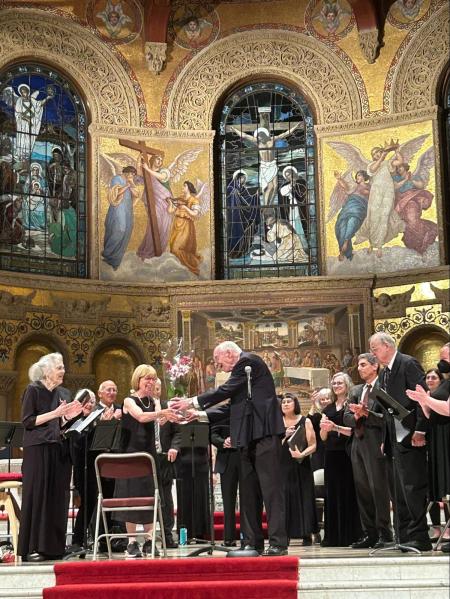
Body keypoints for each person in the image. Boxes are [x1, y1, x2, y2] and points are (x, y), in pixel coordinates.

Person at [170, 340, 288, 556]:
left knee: (271, 491)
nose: (217, 366)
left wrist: (192, 402)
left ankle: (278, 543)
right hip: (247, 438)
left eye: (218, 360)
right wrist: (199, 415)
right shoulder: (243, 378)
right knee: (248, 492)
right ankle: (252, 542)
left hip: (264, 435)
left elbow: (225, 390)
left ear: (229, 353)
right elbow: (231, 408)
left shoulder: (248, 362)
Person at [369, 331, 430, 551]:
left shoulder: (408, 364)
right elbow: (388, 409)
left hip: (411, 434)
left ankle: (419, 536)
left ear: (387, 345)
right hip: (395, 438)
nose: (373, 354)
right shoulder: (385, 373)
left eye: (375, 349)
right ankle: (403, 536)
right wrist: (386, 438)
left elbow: (421, 397)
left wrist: (421, 430)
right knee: (399, 490)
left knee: (413, 487)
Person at [18, 353, 82, 561]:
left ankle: (54, 547)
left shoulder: (64, 392)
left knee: (57, 497)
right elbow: (28, 421)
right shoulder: (33, 390)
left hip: (58, 448)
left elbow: (59, 424)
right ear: (46, 371)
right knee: (39, 496)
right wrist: (56, 414)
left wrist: (68, 417)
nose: (63, 371)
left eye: (63, 367)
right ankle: (33, 547)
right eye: (59, 367)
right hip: (37, 449)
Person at [113, 364, 179, 557]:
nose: (150, 382)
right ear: (138, 380)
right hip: (132, 455)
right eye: (146, 379)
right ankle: (132, 542)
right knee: (131, 498)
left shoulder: (154, 401)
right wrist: (161, 413)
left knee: (151, 497)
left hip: (149, 455)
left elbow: (160, 421)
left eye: (152, 378)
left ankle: (150, 540)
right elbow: (141, 417)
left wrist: (169, 414)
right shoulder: (128, 400)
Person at [343, 353, 392, 549]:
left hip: (376, 441)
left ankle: (385, 533)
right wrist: (355, 416)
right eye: (358, 365)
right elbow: (345, 417)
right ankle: (369, 532)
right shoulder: (356, 390)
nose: (359, 368)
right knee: (362, 489)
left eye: (363, 365)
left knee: (378, 488)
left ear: (375, 366)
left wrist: (367, 414)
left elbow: (389, 417)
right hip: (358, 443)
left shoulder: (384, 387)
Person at [406, 343, 450, 553]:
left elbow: (448, 409)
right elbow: (433, 413)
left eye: (445, 357)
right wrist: (423, 402)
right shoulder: (447, 383)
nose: (441, 362)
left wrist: (426, 398)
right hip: (440, 438)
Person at [320, 372, 361, 547]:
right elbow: (322, 437)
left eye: (340, 383)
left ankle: (351, 534)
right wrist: (324, 428)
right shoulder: (328, 408)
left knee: (349, 493)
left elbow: (355, 431)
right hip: (331, 454)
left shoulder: (351, 405)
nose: (336, 386)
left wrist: (335, 427)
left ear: (347, 385)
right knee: (332, 494)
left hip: (347, 453)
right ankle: (333, 536)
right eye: (334, 383)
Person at [230, 122, 301, 206]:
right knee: (268, 187)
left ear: (264, 135)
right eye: (258, 137)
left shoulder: (272, 139)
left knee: (275, 186)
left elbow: (285, 134)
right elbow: (244, 135)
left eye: (260, 137)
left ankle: (270, 204)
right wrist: (234, 130)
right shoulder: (257, 142)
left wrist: (296, 127)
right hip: (264, 166)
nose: (259, 139)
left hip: (272, 164)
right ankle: (266, 205)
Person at [280, 393, 318, 545]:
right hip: (283, 464)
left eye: (289, 401)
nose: (286, 404)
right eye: (283, 402)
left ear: (295, 404)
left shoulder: (305, 420)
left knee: (304, 497)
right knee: (285, 498)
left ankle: (306, 533)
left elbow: (313, 445)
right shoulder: (276, 422)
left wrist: (301, 454)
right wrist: (284, 435)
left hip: (301, 463)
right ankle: (285, 533)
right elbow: (272, 445)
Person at [152, 378, 181, 549]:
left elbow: (178, 432)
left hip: (164, 458)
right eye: (152, 388)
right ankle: (149, 537)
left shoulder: (167, 407)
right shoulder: (141, 408)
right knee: (150, 496)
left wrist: (174, 448)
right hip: (146, 458)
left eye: (157, 388)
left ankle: (167, 534)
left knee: (166, 498)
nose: (155, 391)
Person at [69, 388, 97, 551]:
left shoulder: (94, 421)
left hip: (92, 467)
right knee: (85, 503)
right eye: (86, 401)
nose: (89, 404)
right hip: (79, 467)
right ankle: (77, 540)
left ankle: (81, 539)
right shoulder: (74, 420)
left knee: (90, 502)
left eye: (92, 402)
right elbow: (76, 443)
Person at [211, 418, 241, 547]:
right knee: (228, 501)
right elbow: (212, 434)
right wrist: (223, 442)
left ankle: (249, 538)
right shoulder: (222, 414)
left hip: (245, 458)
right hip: (226, 459)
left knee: (248, 501)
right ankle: (229, 538)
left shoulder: (248, 409)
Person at [102, 165, 139, 270]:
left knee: (127, 231)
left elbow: (137, 194)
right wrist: (127, 185)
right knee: (119, 229)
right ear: (126, 172)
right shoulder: (116, 179)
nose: (132, 176)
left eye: (134, 175)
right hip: (117, 209)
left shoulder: (130, 182)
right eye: (132, 174)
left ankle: (115, 261)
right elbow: (116, 193)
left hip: (127, 209)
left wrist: (131, 184)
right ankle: (107, 253)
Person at [166, 180, 202, 276]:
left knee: (176, 249)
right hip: (176, 225)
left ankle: (192, 265)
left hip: (186, 226)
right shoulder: (180, 198)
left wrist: (185, 208)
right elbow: (170, 211)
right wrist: (170, 203)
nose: (183, 187)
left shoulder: (194, 200)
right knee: (172, 248)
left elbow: (195, 213)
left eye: (184, 186)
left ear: (189, 188)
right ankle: (180, 269)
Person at [333, 170, 370, 261]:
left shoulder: (369, 187)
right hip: (348, 207)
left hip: (359, 208)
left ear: (364, 177)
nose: (357, 177)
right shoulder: (355, 187)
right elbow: (347, 190)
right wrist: (339, 179)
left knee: (352, 222)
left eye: (359, 175)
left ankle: (345, 243)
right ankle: (345, 251)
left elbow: (373, 196)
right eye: (357, 175)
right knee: (341, 227)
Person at [226, 170, 260, 259]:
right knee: (236, 231)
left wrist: (255, 197)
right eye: (242, 178)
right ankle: (233, 251)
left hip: (243, 215)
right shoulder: (230, 188)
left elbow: (248, 200)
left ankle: (243, 249)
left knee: (244, 230)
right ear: (237, 178)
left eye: (244, 179)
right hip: (234, 216)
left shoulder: (243, 189)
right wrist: (234, 193)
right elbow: (228, 199)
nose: (243, 181)